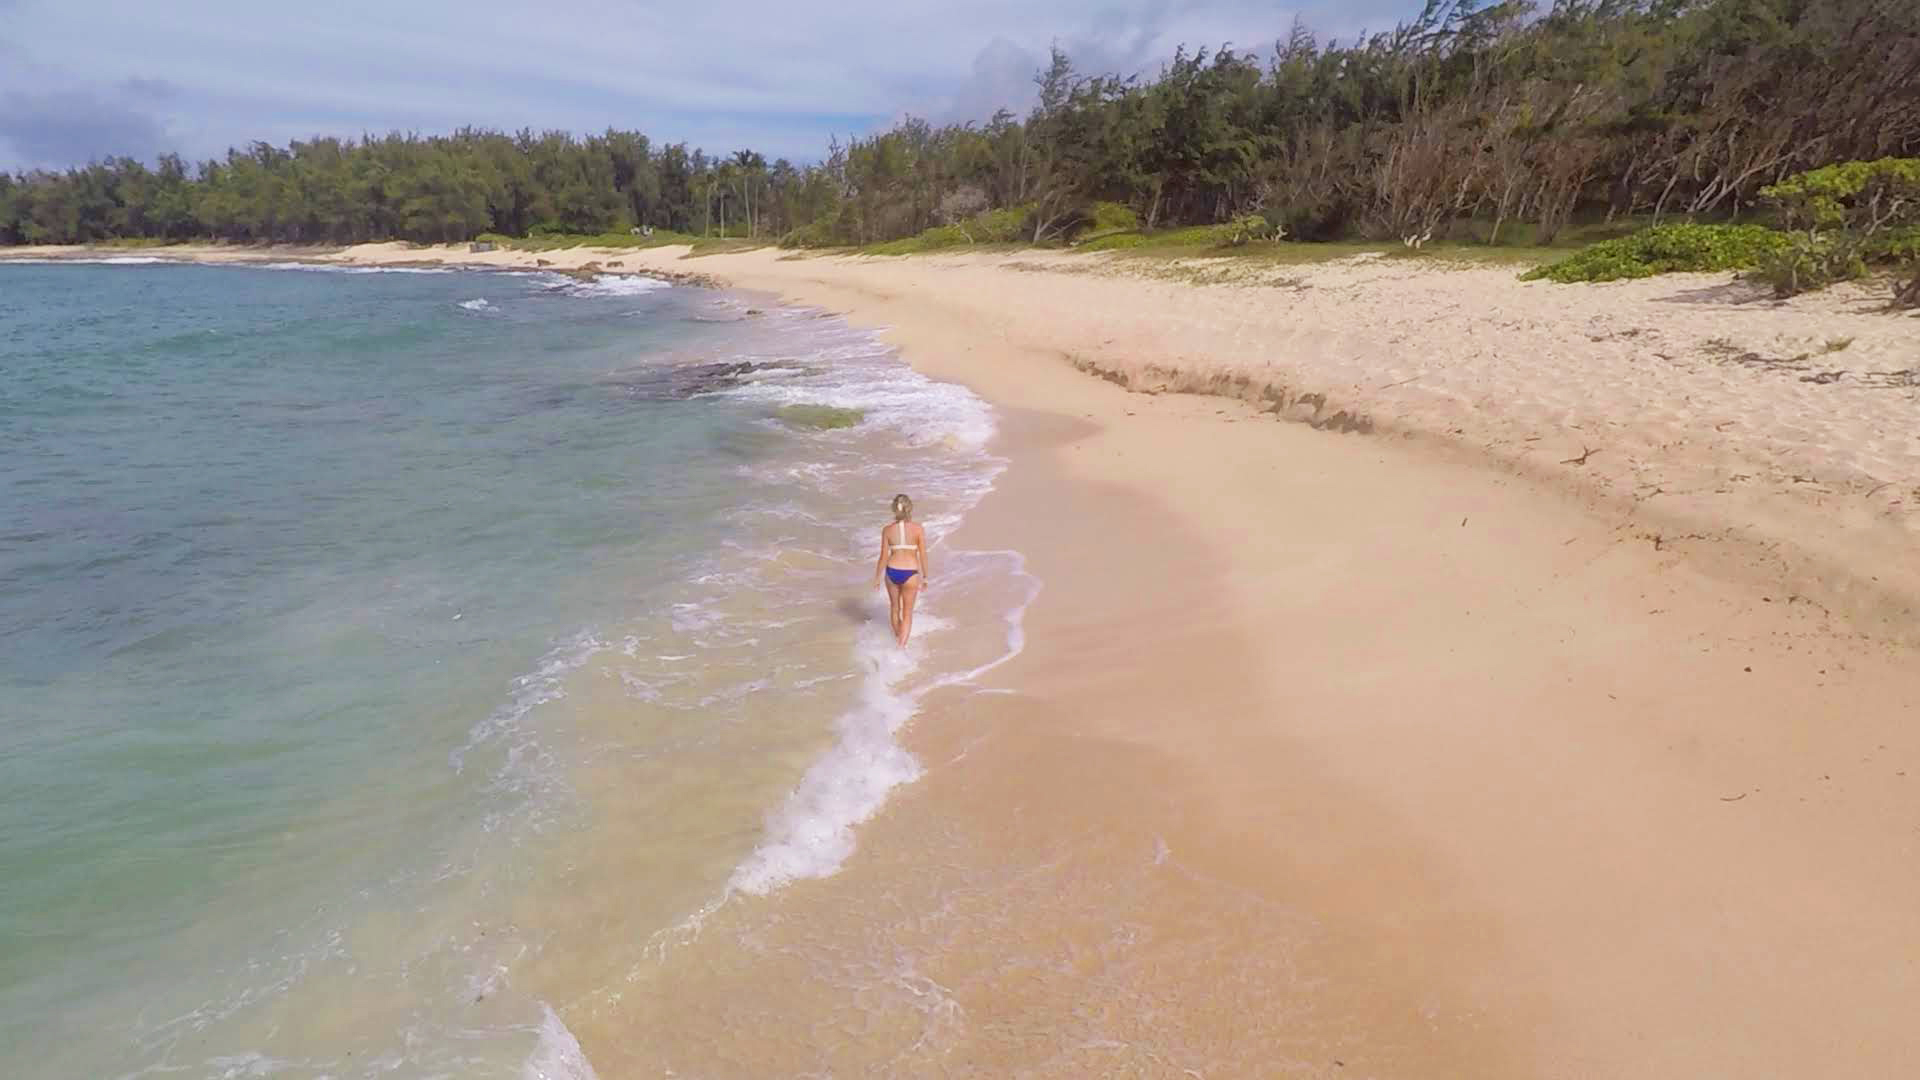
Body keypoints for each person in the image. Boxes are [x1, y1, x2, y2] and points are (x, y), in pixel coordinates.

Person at [872, 493, 930, 647]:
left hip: (892, 572)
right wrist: (925, 577)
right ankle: (901, 647)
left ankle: (898, 640)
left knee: (894, 609)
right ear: (910, 508)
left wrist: (877, 578)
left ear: (894, 509)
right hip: (910, 573)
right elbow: (923, 554)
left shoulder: (887, 530)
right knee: (907, 613)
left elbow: (883, 556)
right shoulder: (918, 529)